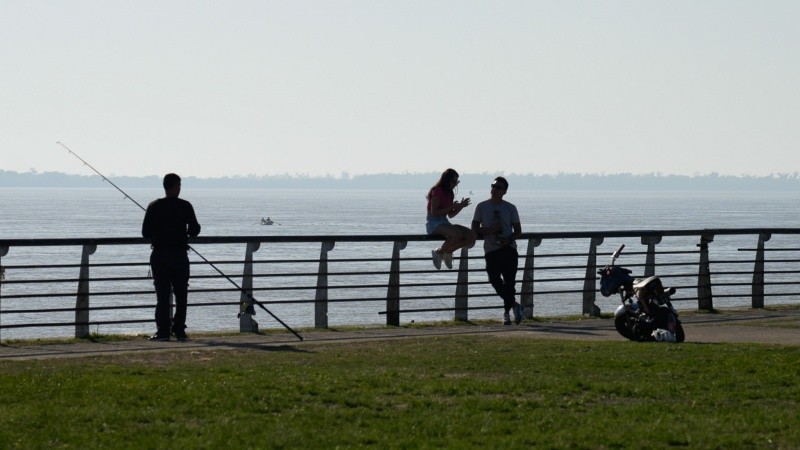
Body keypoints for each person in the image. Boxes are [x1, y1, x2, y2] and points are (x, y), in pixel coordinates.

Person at [142, 173, 201, 341]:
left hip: (159, 256)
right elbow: (195, 229)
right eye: (179, 185)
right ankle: (179, 330)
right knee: (181, 295)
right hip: (179, 256)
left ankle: (163, 331)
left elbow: (145, 233)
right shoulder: (185, 206)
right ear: (175, 186)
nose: (180, 188)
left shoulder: (154, 206)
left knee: (162, 296)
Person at [471, 176, 523, 325]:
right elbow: (474, 228)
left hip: (509, 249)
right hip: (491, 250)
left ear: (504, 191)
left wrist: (508, 240)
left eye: (499, 187)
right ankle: (515, 305)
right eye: (493, 186)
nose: (495, 189)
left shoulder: (510, 208)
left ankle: (507, 313)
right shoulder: (482, 206)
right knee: (494, 279)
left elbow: (518, 230)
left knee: (509, 283)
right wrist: (489, 230)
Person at [426, 168, 477, 269]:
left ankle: (448, 252)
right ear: (446, 180)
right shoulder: (437, 191)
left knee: (472, 235)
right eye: (454, 181)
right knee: (457, 234)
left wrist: (461, 206)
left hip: (444, 222)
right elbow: (434, 212)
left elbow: (450, 215)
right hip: (433, 223)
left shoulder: (450, 194)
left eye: (457, 182)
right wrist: (452, 207)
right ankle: (439, 253)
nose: (455, 184)